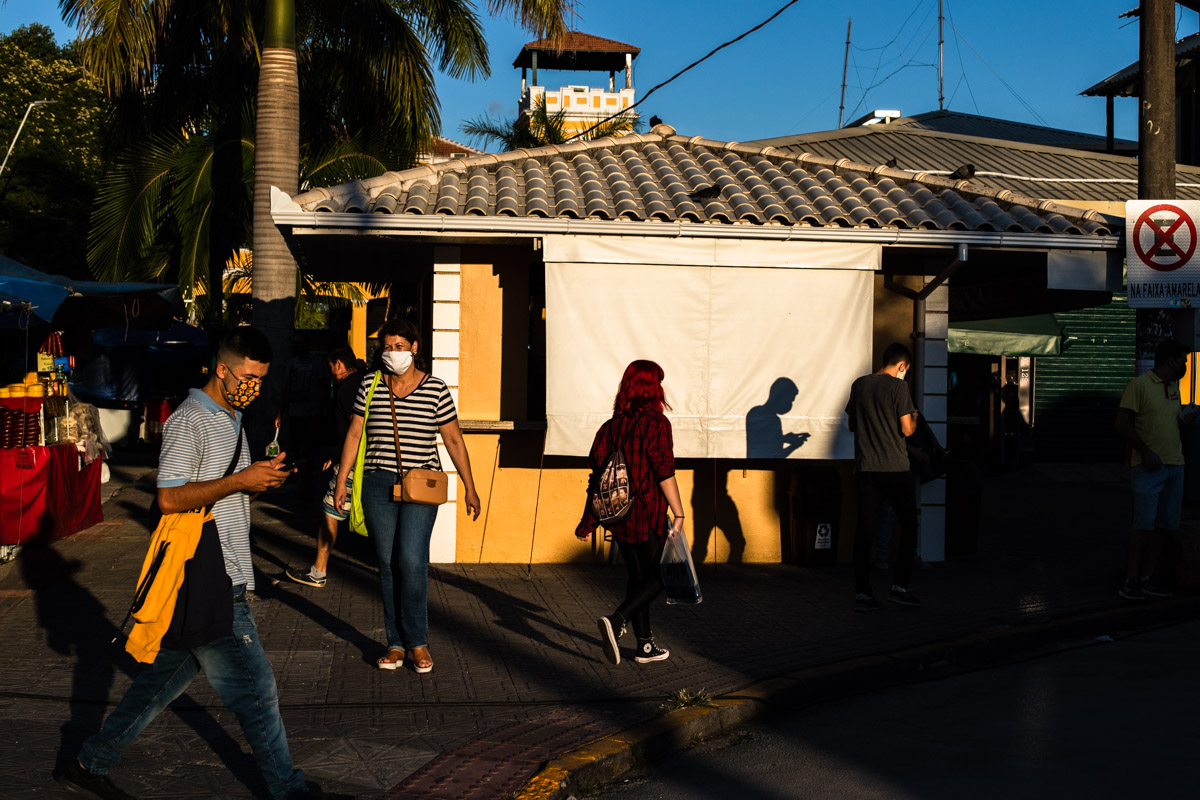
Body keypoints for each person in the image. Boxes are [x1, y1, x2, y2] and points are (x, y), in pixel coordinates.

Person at [56, 327, 352, 800]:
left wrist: (256, 483)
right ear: (223, 369)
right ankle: (288, 791)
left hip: (215, 569)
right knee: (258, 694)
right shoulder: (191, 419)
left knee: (162, 680)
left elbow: (221, 485)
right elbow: (170, 498)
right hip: (208, 573)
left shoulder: (232, 415)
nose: (254, 385)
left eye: (262, 378)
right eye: (249, 376)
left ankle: (91, 760)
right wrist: (240, 480)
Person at [333, 319, 481, 673]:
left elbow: (454, 439)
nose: (393, 353)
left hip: (422, 484)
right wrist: (342, 481)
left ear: (415, 348)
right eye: (387, 347)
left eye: (400, 346)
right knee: (387, 565)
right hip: (376, 483)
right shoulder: (370, 384)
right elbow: (354, 434)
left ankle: (417, 642)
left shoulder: (436, 389)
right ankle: (395, 642)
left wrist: (470, 487)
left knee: (412, 562)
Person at [576, 360, 686, 666]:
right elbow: (664, 471)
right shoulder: (657, 424)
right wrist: (678, 513)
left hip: (617, 514)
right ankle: (617, 619)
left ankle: (645, 646)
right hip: (646, 511)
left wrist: (590, 519)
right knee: (664, 575)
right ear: (652, 388)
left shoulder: (611, 426)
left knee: (638, 576)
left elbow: (597, 474)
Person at [1114, 339, 1195, 601]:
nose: (1184, 365)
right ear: (1170, 360)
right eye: (1182, 360)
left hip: (1175, 464)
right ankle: (1131, 580)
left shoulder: (1174, 388)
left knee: (1163, 526)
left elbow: (1168, 423)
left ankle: (1147, 578)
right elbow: (1123, 424)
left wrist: (1183, 419)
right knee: (1143, 525)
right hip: (1147, 466)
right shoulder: (1138, 386)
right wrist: (1146, 452)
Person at [846, 343, 921, 611]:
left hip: (866, 468)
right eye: (906, 370)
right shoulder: (899, 387)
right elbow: (908, 430)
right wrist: (913, 415)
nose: (905, 374)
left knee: (864, 530)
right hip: (895, 469)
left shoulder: (860, 384)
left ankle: (863, 593)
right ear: (902, 366)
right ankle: (899, 587)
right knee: (909, 526)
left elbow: (851, 425)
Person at [286, 347, 365, 588]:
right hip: (357, 459)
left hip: (351, 462)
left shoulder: (346, 389)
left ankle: (318, 571)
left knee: (330, 511)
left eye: (331, 369)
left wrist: (342, 459)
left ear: (339, 365)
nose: (330, 375)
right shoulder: (362, 382)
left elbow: (355, 427)